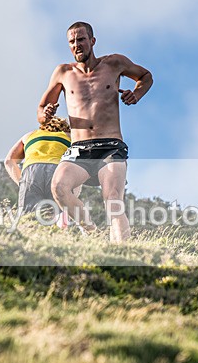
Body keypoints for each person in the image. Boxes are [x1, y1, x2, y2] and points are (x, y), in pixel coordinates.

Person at [38, 21, 153, 242]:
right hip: (79, 149)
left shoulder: (114, 63)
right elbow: (41, 111)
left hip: (110, 146)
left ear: (92, 41)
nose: (76, 45)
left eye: (81, 39)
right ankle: (91, 233)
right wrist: (47, 114)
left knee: (113, 199)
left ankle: (124, 253)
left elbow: (146, 76)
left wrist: (136, 95)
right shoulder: (63, 72)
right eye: (71, 41)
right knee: (59, 188)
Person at [4, 116, 73, 224]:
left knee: (28, 219)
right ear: (66, 128)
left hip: (31, 170)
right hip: (58, 170)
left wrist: (23, 183)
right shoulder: (71, 137)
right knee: (60, 218)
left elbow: (9, 161)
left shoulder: (29, 135)